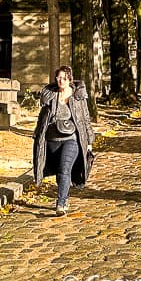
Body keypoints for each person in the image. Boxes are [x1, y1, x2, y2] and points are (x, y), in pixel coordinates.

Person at [32, 65, 95, 216]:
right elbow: (43, 118)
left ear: (69, 79)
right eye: (58, 77)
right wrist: (37, 134)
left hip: (71, 139)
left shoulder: (77, 96)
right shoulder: (50, 95)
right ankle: (65, 196)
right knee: (59, 173)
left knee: (64, 169)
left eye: (64, 78)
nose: (61, 80)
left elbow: (85, 119)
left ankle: (60, 203)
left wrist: (89, 141)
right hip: (52, 139)